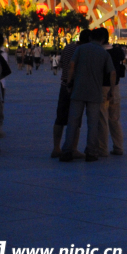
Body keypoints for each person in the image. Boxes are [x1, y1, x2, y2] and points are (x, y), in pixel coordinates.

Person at [61, 27, 115, 162]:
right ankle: (92, 152)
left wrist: (69, 82)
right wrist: (111, 90)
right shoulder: (104, 53)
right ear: (102, 40)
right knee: (93, 124)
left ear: (90, 38)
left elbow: (71, 65)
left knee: (72, 122)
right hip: (95, 93)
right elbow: (112, 72)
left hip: (78, 90)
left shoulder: (80, 49)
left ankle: (67, 151)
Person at [52, 30, 82, 159]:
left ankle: (56, 148)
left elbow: (62, 63)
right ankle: (73, 148)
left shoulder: (68, 47)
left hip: (64, 85)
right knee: (76, 119)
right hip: (76, 86)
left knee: (60, 118)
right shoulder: (82, 50)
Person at [96, 28, 125, 156]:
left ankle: (102, 149)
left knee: (102, 119)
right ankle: (118, 147)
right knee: (115, 119)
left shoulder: (99, 53)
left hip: (102, 88)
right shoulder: (118, 51)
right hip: (116, 87)